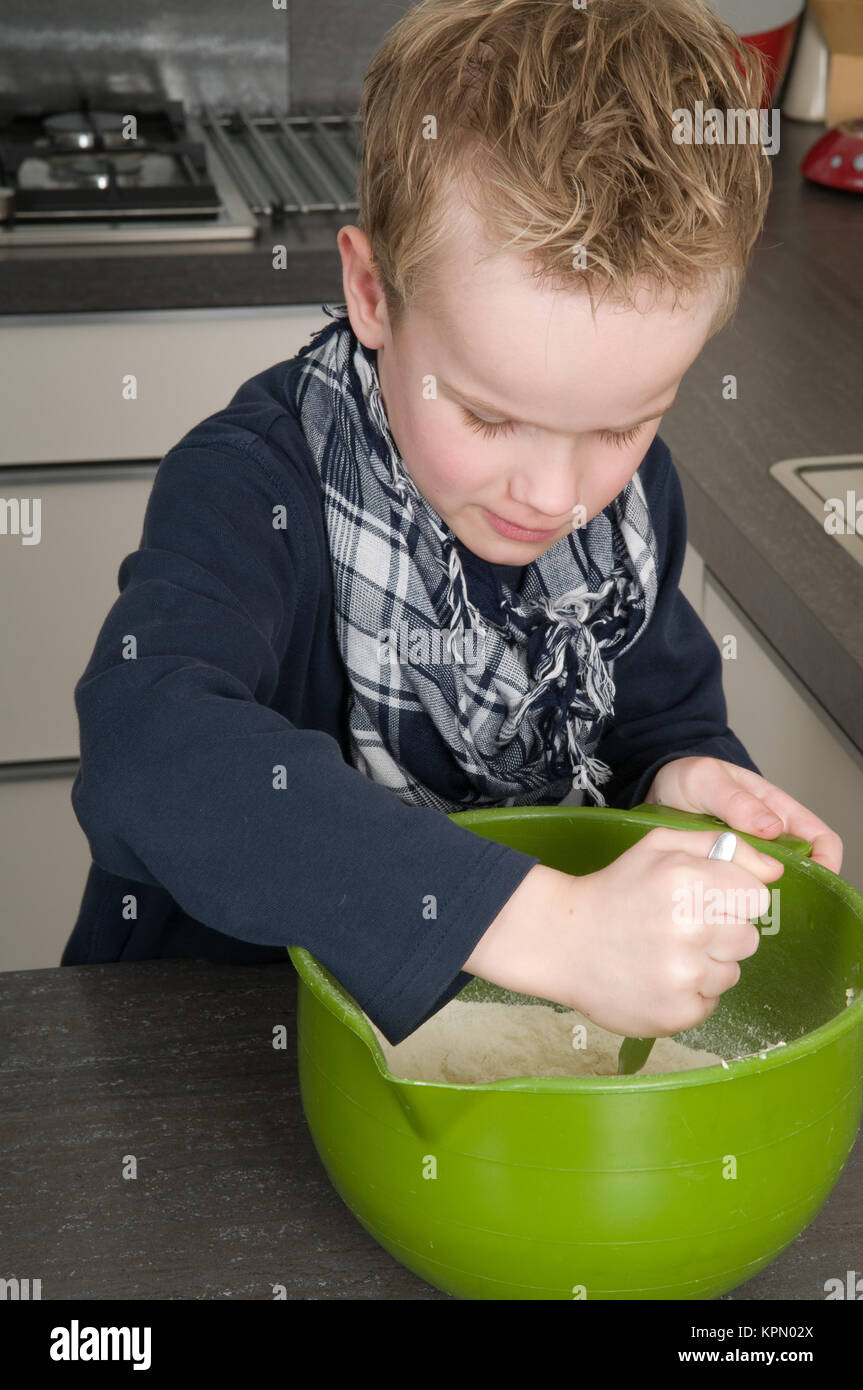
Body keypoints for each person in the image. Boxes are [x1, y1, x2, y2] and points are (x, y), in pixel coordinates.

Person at [61, 0, 842, 1046]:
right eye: (487, 414)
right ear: (372, 290)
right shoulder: (252, 485)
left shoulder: (629, 508)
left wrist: (682, 778)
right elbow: (148, 748)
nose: (555, 494)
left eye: (622, 423)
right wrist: (547, 924)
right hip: (215, 1065)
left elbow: (657, 715)